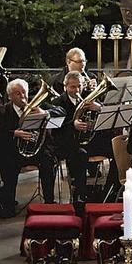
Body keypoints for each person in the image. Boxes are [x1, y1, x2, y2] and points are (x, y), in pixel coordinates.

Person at [0, 79, 64, 218]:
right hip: (14, 152)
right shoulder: (1, 111)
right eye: (17, 93)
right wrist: (14, 133)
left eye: (24, 92)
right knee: (8, 166)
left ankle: (49, 202)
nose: (22, 96)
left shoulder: (37, 105)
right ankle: (9, 205)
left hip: (38, 150)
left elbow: (61, 111)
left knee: (48, 161)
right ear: (10, 96)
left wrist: (45, 113)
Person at [50, 71, 90, 202]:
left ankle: (108, 193)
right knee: (81, 154)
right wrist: (73, 125)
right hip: (64, 142)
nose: (77, 90)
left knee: (111, 148)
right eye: (73, 87)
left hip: (84, 140)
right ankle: (80, 192)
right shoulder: (57, 102)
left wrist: (98, 108)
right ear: (65, 87)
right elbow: (56, 129)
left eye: (80, 86)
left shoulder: (88, 99)